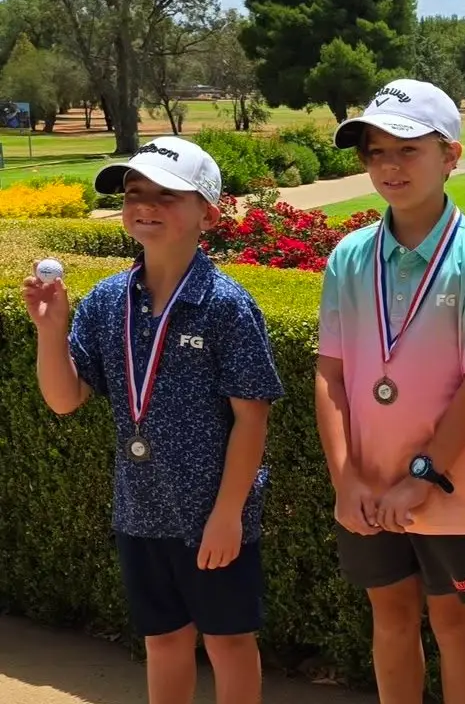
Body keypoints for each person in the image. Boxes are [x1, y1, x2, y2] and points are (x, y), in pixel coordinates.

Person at [22, 137, 283, 704]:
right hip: (139, 509)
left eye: (167, 195)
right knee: (163, 643)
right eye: (135, 193)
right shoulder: (104, 301)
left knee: (229, 644)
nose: (146, 205)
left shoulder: (227, 306)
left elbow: (252, 420)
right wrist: (50, 331)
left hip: (211, 516)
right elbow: (65, 398)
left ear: (208, 214)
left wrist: (228, 515)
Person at [316, 79, 465, 704]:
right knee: (391, 617)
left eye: (408, 149)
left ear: (450, 155)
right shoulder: (350, 257)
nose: (389, 166)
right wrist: (346, 478)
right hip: (370, 485)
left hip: (449, 487)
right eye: (375, 152)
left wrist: (423, 477)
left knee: (454, 620)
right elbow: (330, 373)